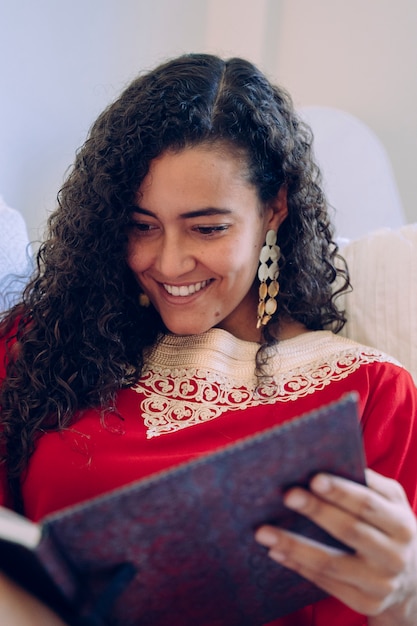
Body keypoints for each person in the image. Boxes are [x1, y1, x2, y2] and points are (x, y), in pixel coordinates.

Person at [0, 53, 416, 626]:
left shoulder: (368, 391)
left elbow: (369, 608)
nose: (168, 262)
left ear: (275, 209)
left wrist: (402, 597)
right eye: (142, 226)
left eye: (207, 228)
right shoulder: (39, 344)